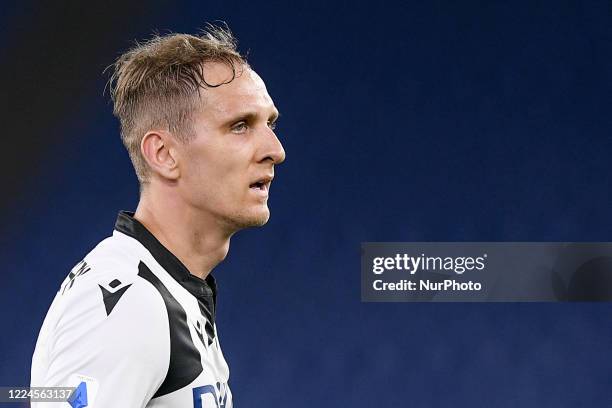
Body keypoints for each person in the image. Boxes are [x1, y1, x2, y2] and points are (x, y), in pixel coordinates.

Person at [30, 24, 285, 408]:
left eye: (270, 124)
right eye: (239, 126)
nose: (275, 149)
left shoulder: (167, 288)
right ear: (164, 154)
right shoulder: (131, 301)